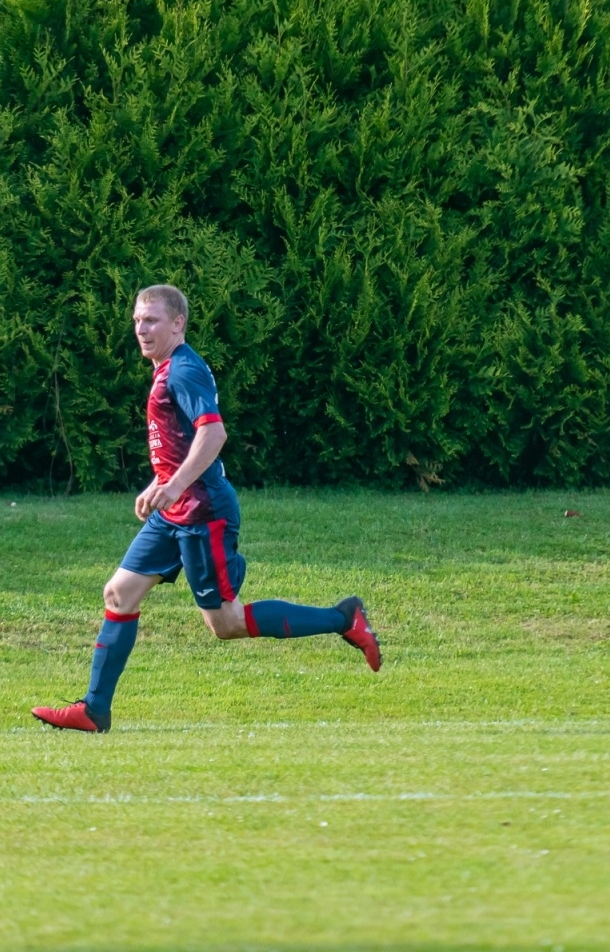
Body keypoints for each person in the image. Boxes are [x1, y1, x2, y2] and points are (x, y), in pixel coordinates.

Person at [32, 285, 381, 733]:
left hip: (202, 513)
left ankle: (343, 617)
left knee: (225, 623)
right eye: (138, 320)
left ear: (178, 323)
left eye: (152, 320)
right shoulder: (166, 369)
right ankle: (95, 710)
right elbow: (183, 439)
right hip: (175, 511)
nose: (141, 328)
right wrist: (160, 481)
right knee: (119, 592)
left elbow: (213, 436)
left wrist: (174, 485)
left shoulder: (182, 371)